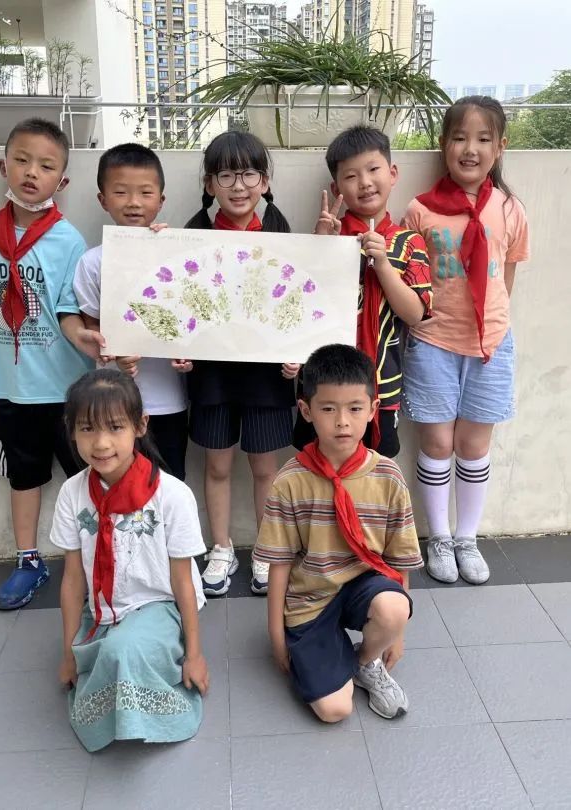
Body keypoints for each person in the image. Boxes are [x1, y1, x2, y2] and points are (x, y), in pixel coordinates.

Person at [0, 118, 104, 610]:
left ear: (61, 180)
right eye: (21, 160)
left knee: (89, 477)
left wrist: (85, 338)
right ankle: (28, 560)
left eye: (46, 165)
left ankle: (97, 559)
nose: (31, 172)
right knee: (24, 477)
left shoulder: (70, 241)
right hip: (11, 385)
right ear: (4, 165)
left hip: (66, 387)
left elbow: (69, 311)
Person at [254, 344, 423, 722]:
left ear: (373, 410)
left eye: (354, 408)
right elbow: (279, 564)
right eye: (328, 409)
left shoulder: (388, 477)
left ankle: (365, 662)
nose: (342, 422)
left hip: (363, 586)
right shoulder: (290, 481)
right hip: (310, 598)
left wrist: (397, 633)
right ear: (306, 411)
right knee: (334, 711)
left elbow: (400, 561)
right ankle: (327, 656)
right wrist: (277, 638)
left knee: (395, 607)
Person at [401, 96, 530, 585]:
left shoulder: (510, 209)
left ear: (500, 146)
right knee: (436, 441)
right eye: (459, 137)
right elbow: (411, 275)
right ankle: (437, 537)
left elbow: (507, 275)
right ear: (442, 145)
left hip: (490, 344)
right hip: (433, 340)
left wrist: (491, 325)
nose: (470, 149)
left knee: (474, 446)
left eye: (482, 138)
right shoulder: (420, 211)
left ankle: (466, 538)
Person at [51, 368, 209, 751]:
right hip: (103, 608)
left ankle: (156, 689)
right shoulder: (73, 494)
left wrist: (195, 654)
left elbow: (182, 581)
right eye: (87, 429)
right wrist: (69, 652)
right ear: (71, 431)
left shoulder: (171, 495)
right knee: (111, 650)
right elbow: (73, 580)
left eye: (115, 427)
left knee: (122, 651)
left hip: (159, 605)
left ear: (140, 426)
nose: (101, 443)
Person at [184, 131, 300, 597]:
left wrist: (297, 355)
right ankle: (221, 548)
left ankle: (267, 552)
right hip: (211, 375)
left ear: (265, 180)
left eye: (249, 173)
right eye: (226, 174)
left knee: (265, 469)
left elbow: (297, 302)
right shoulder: (190, 235)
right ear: (210, 183)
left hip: (267, 377)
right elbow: (179, 302)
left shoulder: (282, 234)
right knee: (215, 468)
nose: (239, 185)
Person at [294, 125, 432, 458]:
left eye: (373, 169)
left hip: (381, 385)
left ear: (393, 172)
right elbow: (299, 305)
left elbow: (414, 314)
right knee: (319, 464)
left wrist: (383, 264)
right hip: (325, 382)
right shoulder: (330, 237)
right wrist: (320, 247)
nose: (365, 182)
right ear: (336, 186)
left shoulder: (409, 241)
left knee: (376, 468)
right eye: (352, 176)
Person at [74, 143, 191, 481]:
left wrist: (186, 355)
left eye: (145, 192)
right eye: (121, 192)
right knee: (115, 485)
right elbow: (93, 330)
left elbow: (192, 320)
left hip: (168, 401)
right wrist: (115, 353)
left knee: (167, 484)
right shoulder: (92, 262)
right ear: (103, 199)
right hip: (112, 403)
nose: (134, 202)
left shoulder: (177, 254)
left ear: (161, 200)